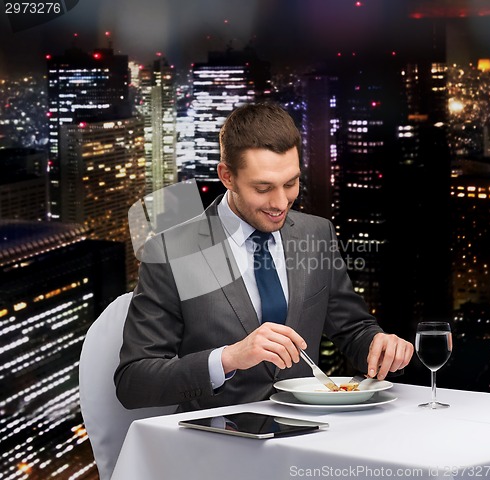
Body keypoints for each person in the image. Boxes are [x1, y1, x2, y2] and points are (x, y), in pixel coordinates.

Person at [115, 102, 414, 411]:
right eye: (263, 188)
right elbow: (134, 383)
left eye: (291, 183)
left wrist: (381, 346)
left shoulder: (316, 234)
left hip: (311, 435)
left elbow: (352, 329)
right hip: (217, 443)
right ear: (227, 176)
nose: (281, 202)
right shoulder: (171, 252)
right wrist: (229, 358)